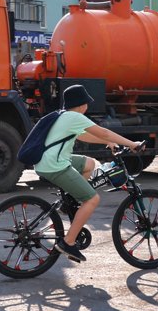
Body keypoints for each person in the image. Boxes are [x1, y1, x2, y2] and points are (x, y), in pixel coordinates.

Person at [34, 85, 144, 263]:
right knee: (92, 199)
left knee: (90, 164)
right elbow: (104, 131)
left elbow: (84, 136)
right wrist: (132, 144)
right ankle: (68, 242)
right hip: (55, 165)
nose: (87, 106)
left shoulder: (65, 116)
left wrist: (107, 142)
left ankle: (70, 202)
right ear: (80, 104)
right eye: (86, 102)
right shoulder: (75, 116)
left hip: (49, 161)